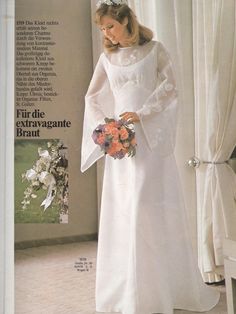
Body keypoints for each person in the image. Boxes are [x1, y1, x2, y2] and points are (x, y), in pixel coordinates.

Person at [81, 1, 220, 313]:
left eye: (110, 26)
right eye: (102, 29)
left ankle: (159, 289)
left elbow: (170, 87)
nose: (107, 33)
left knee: (148, 207)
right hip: (121, 144)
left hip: (149, 142)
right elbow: (91, 97)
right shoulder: (108, 58)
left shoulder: (155, 50)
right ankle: (127, 291)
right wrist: (107, 126)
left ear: (127, 21)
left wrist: (142, 114)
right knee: (124, 210)